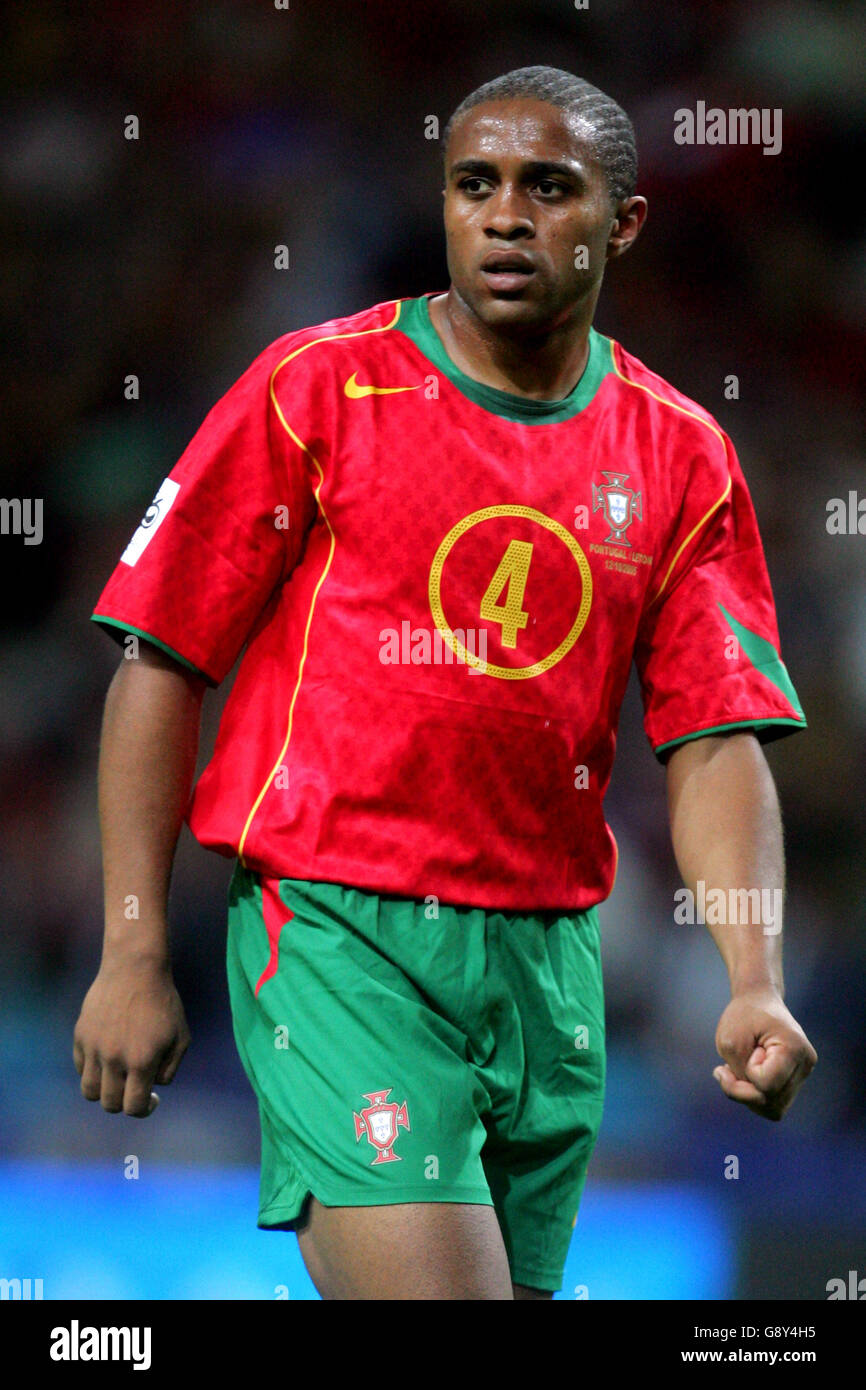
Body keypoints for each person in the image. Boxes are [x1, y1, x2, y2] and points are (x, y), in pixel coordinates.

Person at [74, 66, 817, 1300]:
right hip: (337, 928)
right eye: (474, 185)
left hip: (547, 963)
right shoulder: (317, 387)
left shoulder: (679, 451)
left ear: (620, 223)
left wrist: (752, 978)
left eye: (548, 188)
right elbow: (160, 660)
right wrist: (132, 949)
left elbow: (714, 735)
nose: (505, 216)